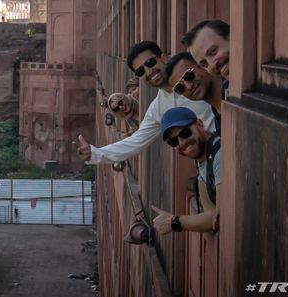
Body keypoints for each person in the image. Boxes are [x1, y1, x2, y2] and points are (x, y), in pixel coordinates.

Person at [76, 41, 216, 164]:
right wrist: (94, 153)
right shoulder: (159, 107)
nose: (149, 71)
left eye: (150, 62)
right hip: (212, 158)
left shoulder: (194, 79)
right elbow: (136, 142)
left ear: (164, 58)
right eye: (141, 71)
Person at [150, 107, 220, 235]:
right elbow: (210, 211)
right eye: (173, 141)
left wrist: (174, 222)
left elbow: (219, 219)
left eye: (185, 133)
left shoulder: (219, 154)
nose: (182, 143)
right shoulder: (201, 159)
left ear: (200, 124)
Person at [163, 52, 223, 137]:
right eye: (180, 87)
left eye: (188, 76)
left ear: (202, 65)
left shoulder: (233, 90)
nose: (188, 86)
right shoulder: (218, 121)